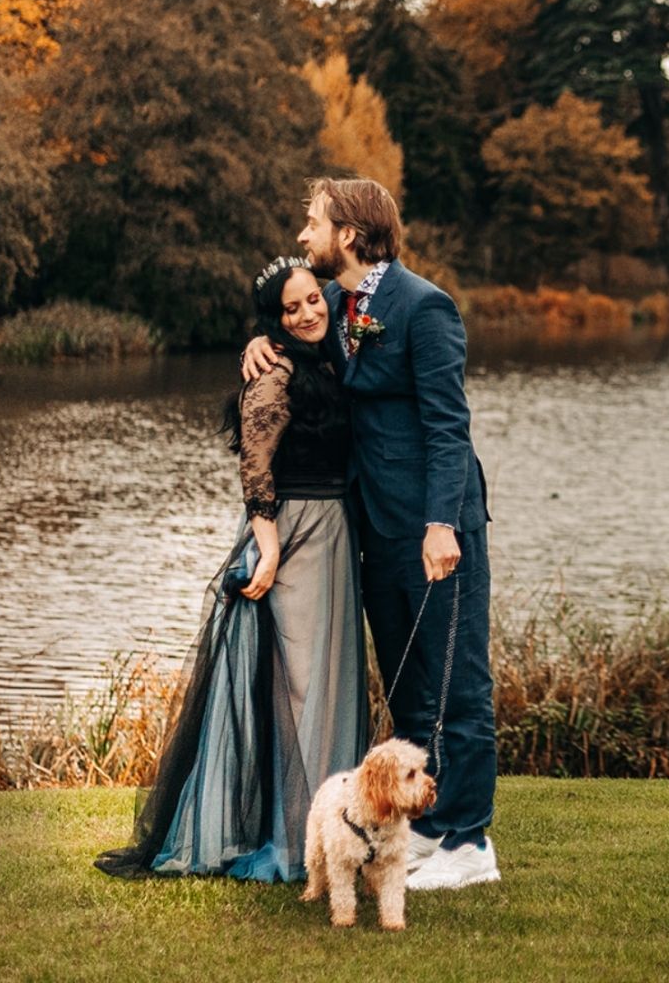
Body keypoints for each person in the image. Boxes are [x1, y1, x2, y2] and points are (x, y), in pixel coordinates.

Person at [244, 176, 496, 892]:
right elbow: (283, 320)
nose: (303, 238)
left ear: (348, 235)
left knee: (456, 686)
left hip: (434, 530)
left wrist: (442, 523)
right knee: (412, 688)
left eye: (314, 224)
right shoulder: (336, 302)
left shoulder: (424, 307)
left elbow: (449, 426)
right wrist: (254, 350)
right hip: (376, 530)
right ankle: (430, 833)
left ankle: (470, 842)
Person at [96, 259, 369, 881]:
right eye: (291, 308)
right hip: (296, 535)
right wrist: (268, 547)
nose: (306, 313)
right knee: (298, 686)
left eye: (311, 301)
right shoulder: (272, 371)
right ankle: (292, 842)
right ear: (272, 320)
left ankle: (332, 837)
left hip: (334, 535)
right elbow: (256, 467)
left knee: (330, 682)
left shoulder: (326, 356)